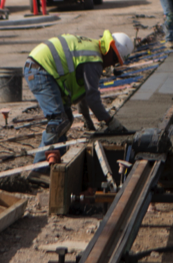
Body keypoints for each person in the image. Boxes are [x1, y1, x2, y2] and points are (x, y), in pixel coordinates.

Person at [24, 30, 133, 163]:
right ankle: (40, 167)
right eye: (115, 59)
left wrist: (87, 120)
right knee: (58, 120)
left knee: (67, 118)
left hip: (42, 69)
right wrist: (109, 121)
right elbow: (92, 97)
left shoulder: (92, 49)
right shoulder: (94, 59)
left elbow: (85, 92)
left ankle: (56, 163)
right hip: (40, 70)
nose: (111, 64)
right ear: (110, 49)